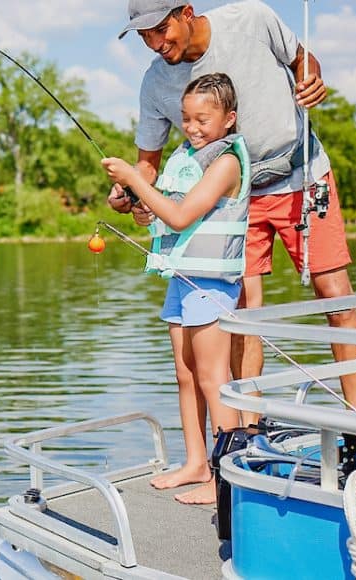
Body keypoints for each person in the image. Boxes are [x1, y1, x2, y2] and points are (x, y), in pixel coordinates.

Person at [108, 0, 356, 426]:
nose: (155, 43)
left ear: (185, 12)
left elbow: (304, 59)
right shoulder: (154, 83)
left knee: (334, 292)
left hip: (301, 173)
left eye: (160, 29)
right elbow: (147, 164)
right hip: (233, 199)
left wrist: (313, 77)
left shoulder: (252, 18)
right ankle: (250, 430)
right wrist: (129, 190)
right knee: (241, 313)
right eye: (143, 36)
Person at [102, 72, 248, 505]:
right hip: (181, 279)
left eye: (203, 119)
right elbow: (166, 210)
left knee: (212, 377)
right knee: (186, 375)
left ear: (229, 119)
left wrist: (134, 175)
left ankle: (227, 478)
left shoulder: (226, 162)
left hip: (210, 284)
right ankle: (196, 462)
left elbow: (184, 216)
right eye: (186, 118)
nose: (193, 127)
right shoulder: (185, 157)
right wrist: (140, 206)